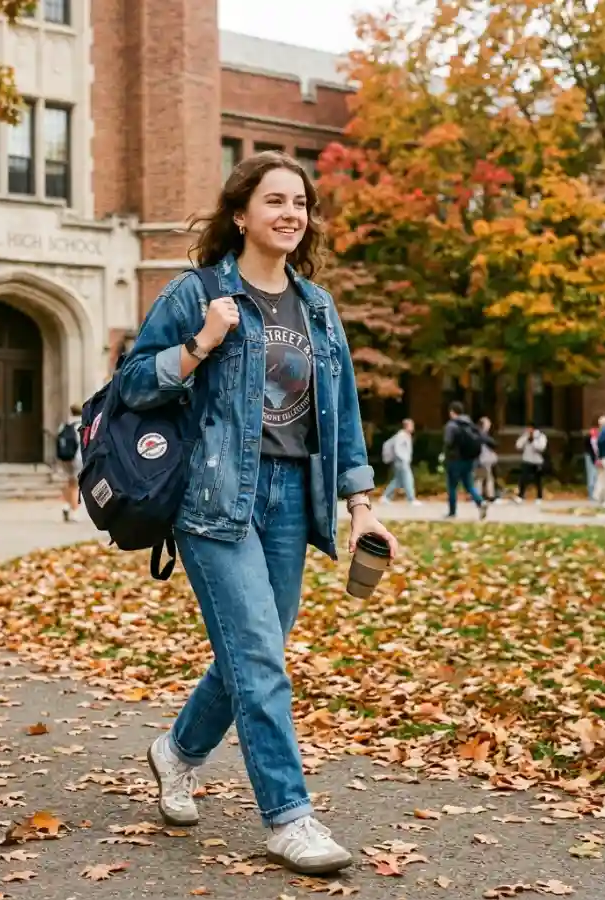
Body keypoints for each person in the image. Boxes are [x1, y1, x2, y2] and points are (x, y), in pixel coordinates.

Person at [119, 150, 399, 875]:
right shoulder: (197, 293)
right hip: (215, 503)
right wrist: (201, 344)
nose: (290, 214)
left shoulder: (318, 307)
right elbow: (131, 388)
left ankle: (176, 751)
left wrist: (360, 507)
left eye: (299, 203)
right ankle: (289, 816)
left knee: (250, 656)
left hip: (291, 502)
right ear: (240, 214)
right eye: (274, 200)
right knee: (261, 659)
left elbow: (342, 415)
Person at [442, 402, 488, 520]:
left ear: (452, 412)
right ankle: (480, 502)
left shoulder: (451, 425)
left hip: (454, 460)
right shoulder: (470, 424)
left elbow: (448, 442)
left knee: (452, 486)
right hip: (468, 459)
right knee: (469, 485)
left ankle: (452, 512)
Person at [381, 419, 421, 505]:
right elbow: (397, 449)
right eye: (411, 425)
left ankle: (385, 497)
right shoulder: (401, 435)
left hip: (402, 461)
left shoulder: (406, 435)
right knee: (408, 479)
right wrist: (404, 459)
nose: (413, 427)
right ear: (406, 426)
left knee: (397, 480)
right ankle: (411, 499)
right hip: (401, 461)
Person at [59, 403, 83, 522]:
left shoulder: (65, 425)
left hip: (65, 458)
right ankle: (74, 511)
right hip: (77, 458)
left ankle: (66, 506)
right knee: (76, 486)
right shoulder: (81, 425)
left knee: (69, 482)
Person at [515, 423, 547, 503]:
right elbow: (518, 445)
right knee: (523, 478)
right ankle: (520, 496)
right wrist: (526, 438)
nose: (529, 430)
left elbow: (541, 447)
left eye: (530, 429)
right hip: (527, 460)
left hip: (537, 461)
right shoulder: (525, 436)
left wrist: (533, 441)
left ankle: (539, 497)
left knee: (538, 480)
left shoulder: (541, 436)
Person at [476, 416, 499, 502]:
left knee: (482, 478)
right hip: (484, 459)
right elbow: (493, 443)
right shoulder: (482, 435)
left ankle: (479, 494)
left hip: (483, 459)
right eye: (487, 424)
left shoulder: (477, 434)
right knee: (486, 478)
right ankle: (489, 495)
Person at [591, 415, 605, 506]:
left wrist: (598, 458)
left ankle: (598, 496)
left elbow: (597, 447)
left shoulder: (601, 433)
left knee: (601, 478)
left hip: (602, 458)